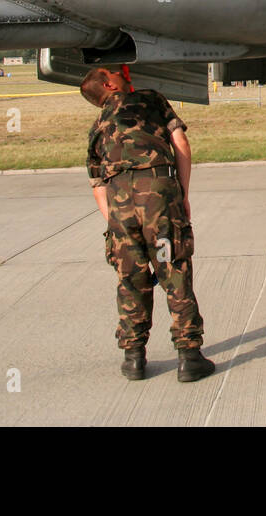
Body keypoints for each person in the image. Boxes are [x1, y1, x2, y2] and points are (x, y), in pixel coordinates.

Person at [81, 67, 214, 382]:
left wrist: (116, 223)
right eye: (114, 71)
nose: (124, 72)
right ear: (109, 83)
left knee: (131, 278)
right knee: (174, 271)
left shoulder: (96, 127)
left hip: (118, 204)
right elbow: (181, 143)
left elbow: (97, 183)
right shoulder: (150, 100)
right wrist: (181, 194)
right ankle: (189, 356)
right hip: (157, 193)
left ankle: (134, 358)